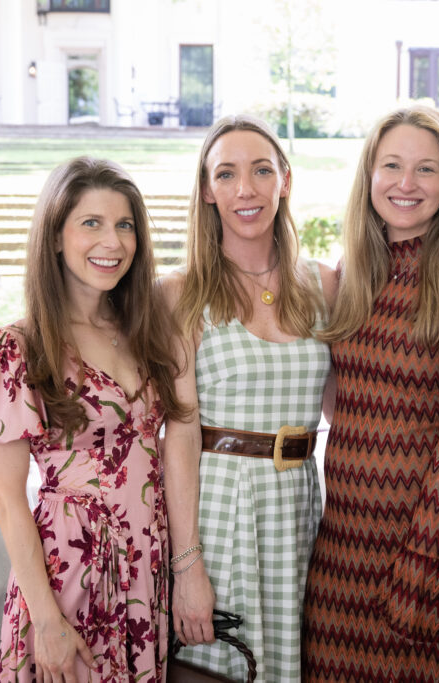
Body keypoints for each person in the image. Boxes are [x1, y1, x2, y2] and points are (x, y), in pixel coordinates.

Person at [0, 157, 186, 682]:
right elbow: (7, 500)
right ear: (55, 236)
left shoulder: (143, 332)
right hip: (71, 572)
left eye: (125, 225)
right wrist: (46, 618)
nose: (113, 242)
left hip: (145, 566)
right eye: (91, 223)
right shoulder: (18, 348)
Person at [301, 105, 439, 682]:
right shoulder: (359, 267)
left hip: (429, 540)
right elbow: (345, 397)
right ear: (369, 175)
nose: (406, 184)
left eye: (426, 169)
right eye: (391, 165)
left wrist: (426, 551)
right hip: (344, 541)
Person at [162, 114, 337, 682]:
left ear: (285, 180)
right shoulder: (181, 294)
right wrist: (188, 565)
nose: (246, 189)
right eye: (227, 174)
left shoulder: (324, 285)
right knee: (223, 666)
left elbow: (344, 408)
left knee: (293, 665)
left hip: (300, 508)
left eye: (262, 170)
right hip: (221, 509)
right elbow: (180, 433)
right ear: (208, 191)